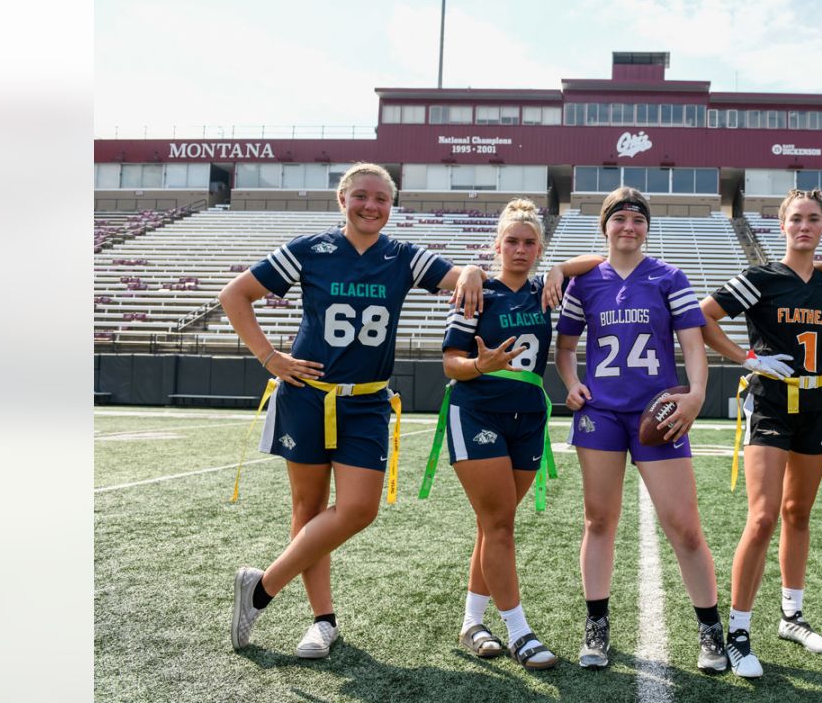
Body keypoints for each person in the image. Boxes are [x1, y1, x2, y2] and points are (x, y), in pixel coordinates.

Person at [221, 162, 485, 658]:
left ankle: (261, 588)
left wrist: (471, 269)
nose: (371, 206)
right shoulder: (310, 249)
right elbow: (235, 296)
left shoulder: (402, 256)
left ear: (392, 205)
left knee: (359, 509)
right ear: (342, 199)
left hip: (366, 400)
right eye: (361, 196)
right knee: (308, 508)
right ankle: (322, 622)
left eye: (382, 199)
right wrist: (270, 357)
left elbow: (461, 281)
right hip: (307, 395)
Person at [555, 187, 726, 674]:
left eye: (637, 219)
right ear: (604, 226)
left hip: (658, 410)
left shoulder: (669, 276)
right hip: (602, 413)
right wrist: (572, 384)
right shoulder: (584, 283)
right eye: (619, 219)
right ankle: (596, 626)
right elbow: (565, 349)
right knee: (599, 521)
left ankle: (710, 630)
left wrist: (695, 393)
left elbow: (693, 343)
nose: (628, 227)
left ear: (647, 228)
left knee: (685, 527)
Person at [437, 199, 604, 670]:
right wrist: (479, 363)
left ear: (539, 249)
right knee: (500, 525)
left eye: (530, 243)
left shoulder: (543, 290)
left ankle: (472, 622)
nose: (520, 249)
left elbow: (604, 259)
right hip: (478, 412)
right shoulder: (479, 290)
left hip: (529, 416)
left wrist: (559, 269)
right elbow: (450, 362)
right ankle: (519, 631)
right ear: (498, 246)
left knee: (493, 526)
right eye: (512, 241)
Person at [699, 188, 822, 678]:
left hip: (814, 408)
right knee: (763, 517)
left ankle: (791, 617)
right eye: (796, 219)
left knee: (798, 513)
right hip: (770, 403)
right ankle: (738, 631)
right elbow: (703, 316)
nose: (804, 226)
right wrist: (746, 357)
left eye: (813, 219)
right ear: (782, 226)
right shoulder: (760, 277)